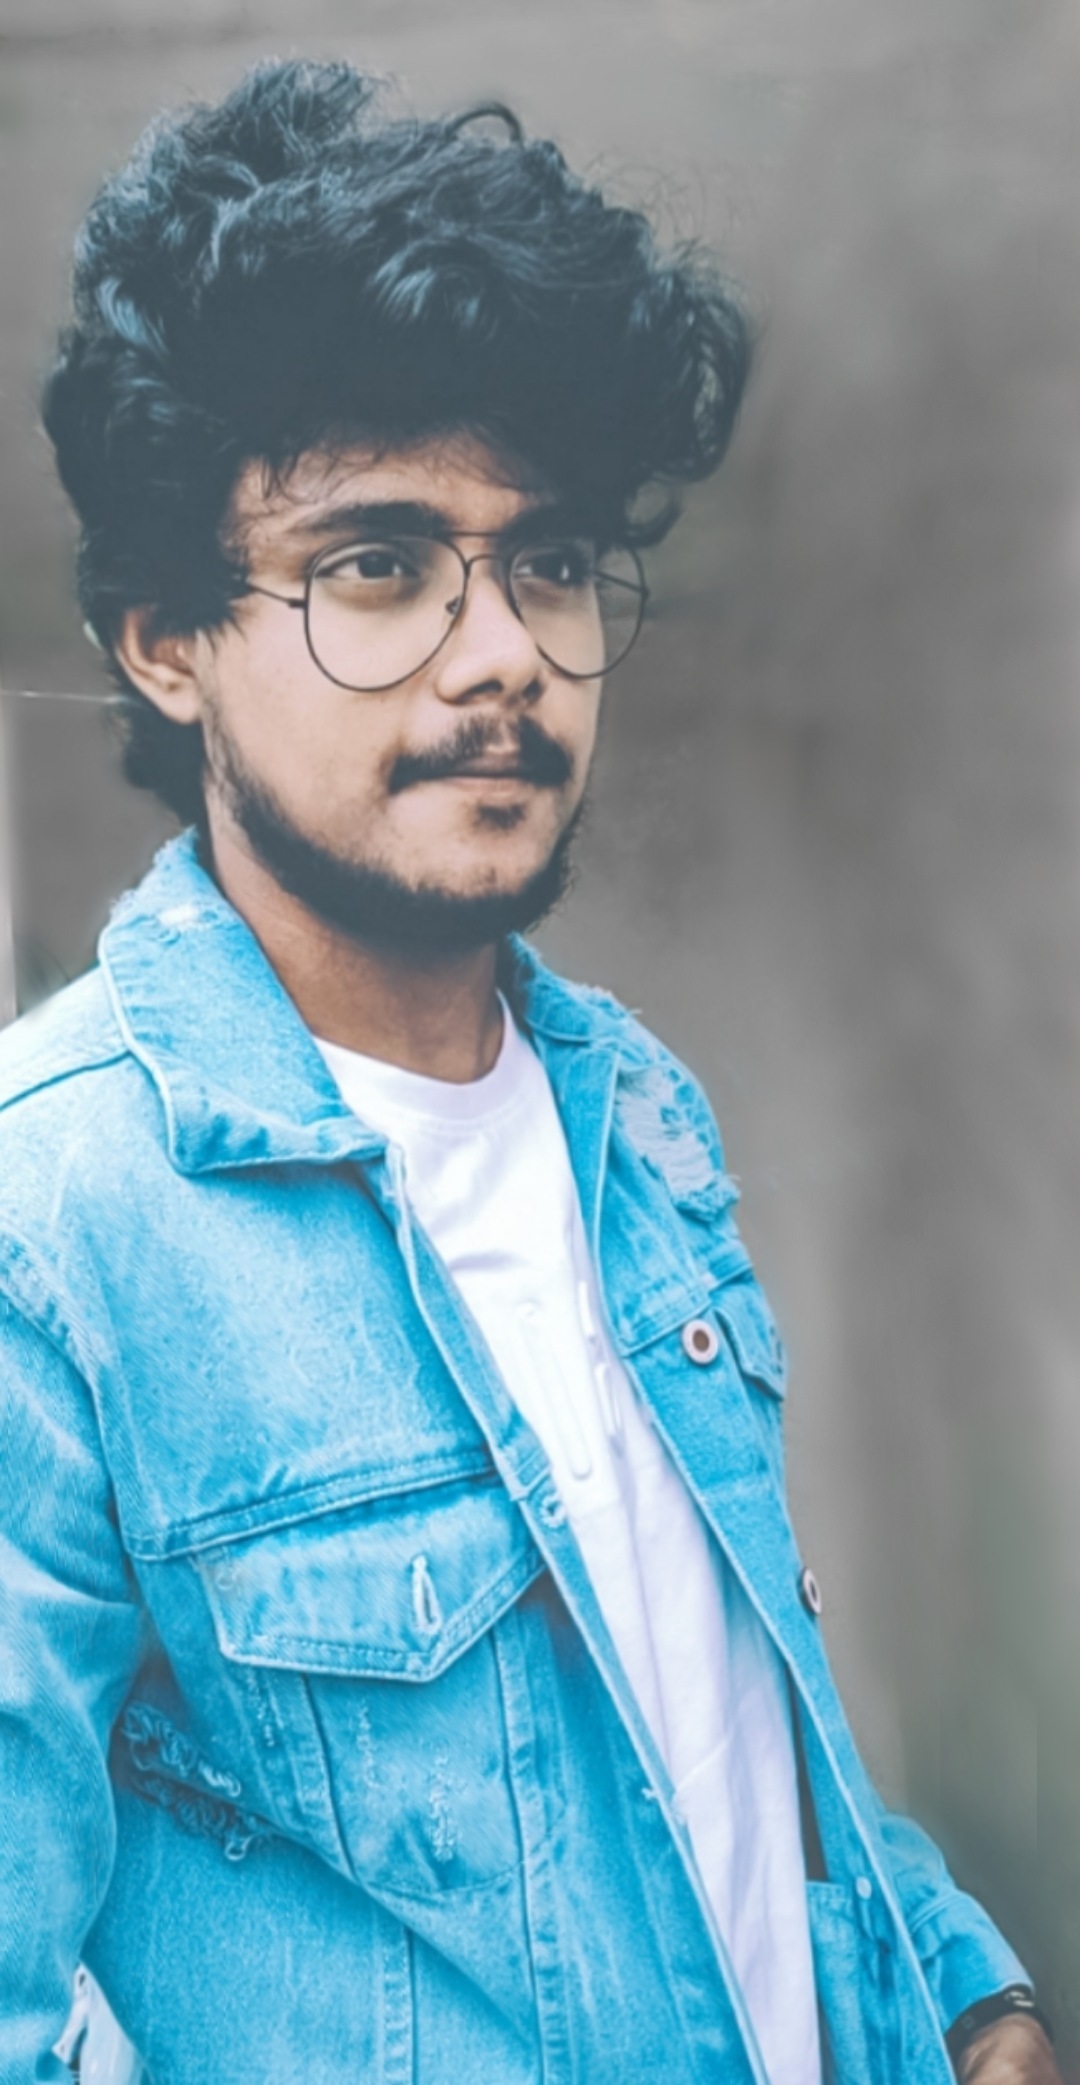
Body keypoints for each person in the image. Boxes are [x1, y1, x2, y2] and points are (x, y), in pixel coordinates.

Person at [0, 58, 1058, 2085]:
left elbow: (710, 1721)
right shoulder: (55, 1230)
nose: (502, 653)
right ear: (163, 638)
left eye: (548, 561)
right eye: (379, 565)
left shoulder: (634, 1108)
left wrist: (961, 1990)